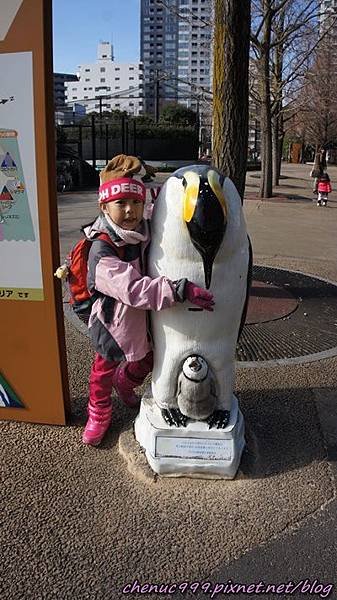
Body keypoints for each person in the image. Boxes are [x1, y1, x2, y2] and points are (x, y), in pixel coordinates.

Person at [82, 154, 214, 446]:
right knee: (102, 372)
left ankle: (126, 382)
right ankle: (99, 412)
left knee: (147, 360)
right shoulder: (101, 250)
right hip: (113, 325)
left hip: (146, 319)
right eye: (120, 204)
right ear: (104, 206)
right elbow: (132, 288)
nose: (130, 210)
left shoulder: (142, 230)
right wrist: (179, 290)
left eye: (136, 203)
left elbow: (162, 206)